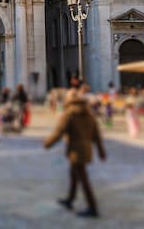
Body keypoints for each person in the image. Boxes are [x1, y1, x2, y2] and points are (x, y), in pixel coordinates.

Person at [45, 90, 106, 219]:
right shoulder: (89, 113)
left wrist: (48, 143)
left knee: (83, 179)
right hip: (86, 148)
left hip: (75, 150)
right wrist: (101, 151)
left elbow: (59, 131)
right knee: (74, 174)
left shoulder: (70, 114)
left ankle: (92, 207)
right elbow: (97, 134)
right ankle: (70, 199)